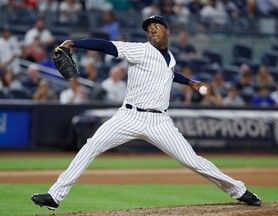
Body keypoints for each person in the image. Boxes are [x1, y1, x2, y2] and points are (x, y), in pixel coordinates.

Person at [31, 15, 261, 210]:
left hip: (159, 121)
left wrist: (190, 82)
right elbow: (107, 46)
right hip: (128, 117)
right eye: (149, 29)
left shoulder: (170, 58)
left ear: (167, 31)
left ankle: (239, 191)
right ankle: (55, 196)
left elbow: (169, 73)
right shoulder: (140, 50)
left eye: (156, 27)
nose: (152, 30)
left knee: (191, 160)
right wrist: (75, 43)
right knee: (91, 146)